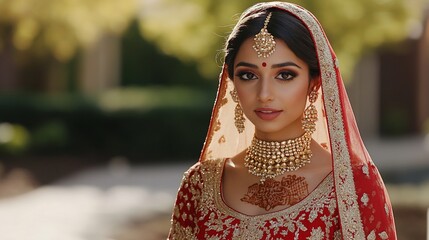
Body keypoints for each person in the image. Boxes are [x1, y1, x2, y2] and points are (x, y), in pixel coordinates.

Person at [168, 2, 397, 239]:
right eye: (248, 75)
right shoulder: (200, 184)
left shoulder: (353, 185)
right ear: (232, 82)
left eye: (285, 75)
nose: (264, 93)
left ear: (314, 83)